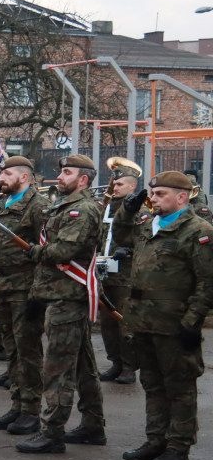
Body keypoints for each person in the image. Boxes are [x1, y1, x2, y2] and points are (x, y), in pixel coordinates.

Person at [113, 171, 213, 460]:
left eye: (160, 195)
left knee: (179, 387)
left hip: (174, 323)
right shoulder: (148, 225)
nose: (152, 199)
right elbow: (121, 236)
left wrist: (192, 322)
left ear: (182, 197)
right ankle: (156, 439)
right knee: (153, 383)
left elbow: (207, 282)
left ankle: (178, 446)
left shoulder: (197, 230)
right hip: (144, 320)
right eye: (152, 195)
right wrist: (126, 212)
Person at [15, 155, 105, 454]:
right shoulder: (62, 205)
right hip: (57, 294)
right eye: (61, 172)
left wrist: (36, 253)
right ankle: (93, 425)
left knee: (58, 368)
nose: (60, 177)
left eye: (67, 173)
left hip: (69, 297)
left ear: (83, 179)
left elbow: (65, 250)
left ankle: (52, 431)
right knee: (83, 366)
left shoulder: (84, 209)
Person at [0, 156, 49, 435]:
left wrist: (37, 294)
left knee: (27, 352)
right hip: (2, 286)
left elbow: (45, 252)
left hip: (23, 288)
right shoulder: (3, 203)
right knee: (12, 351)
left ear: (24, 177)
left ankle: (31, 410)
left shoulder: (38, 206)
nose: (1, 179)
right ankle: (17, 405)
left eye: (5, 175)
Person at [97, 159, 141, 384]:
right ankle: (115, 362)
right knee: (107, 322)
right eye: (115, 184)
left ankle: (129, 366)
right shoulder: (107, 205)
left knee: (125, 322)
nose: (115, 187)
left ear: (132, 186)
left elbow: (146, 239)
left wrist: (129, 249)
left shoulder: (139, 208)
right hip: (105, 271)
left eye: (120, 184)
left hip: (125, 273)